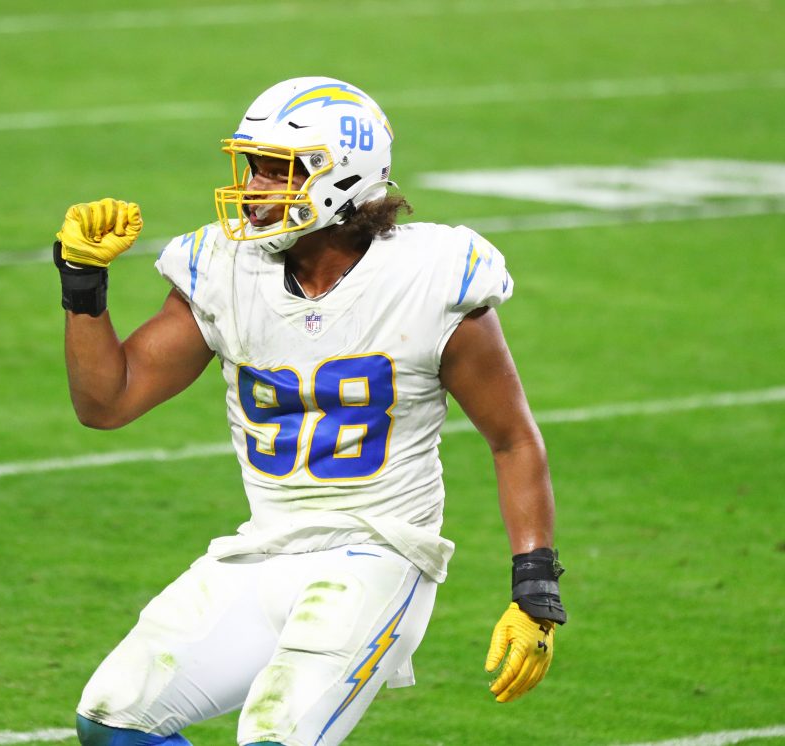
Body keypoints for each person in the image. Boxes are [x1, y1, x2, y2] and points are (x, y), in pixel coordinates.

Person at [55, 77, 567, 746]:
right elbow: (107, 402)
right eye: (254, 166)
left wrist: (536, 590)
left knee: (275, 738)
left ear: (343, 178)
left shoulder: (431, 277)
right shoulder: (223, 268)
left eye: (279, 169)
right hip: (265, 546)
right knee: (113, 720)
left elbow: (511, 439)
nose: (256, 185)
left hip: (377, 556)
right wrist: (83, 286)